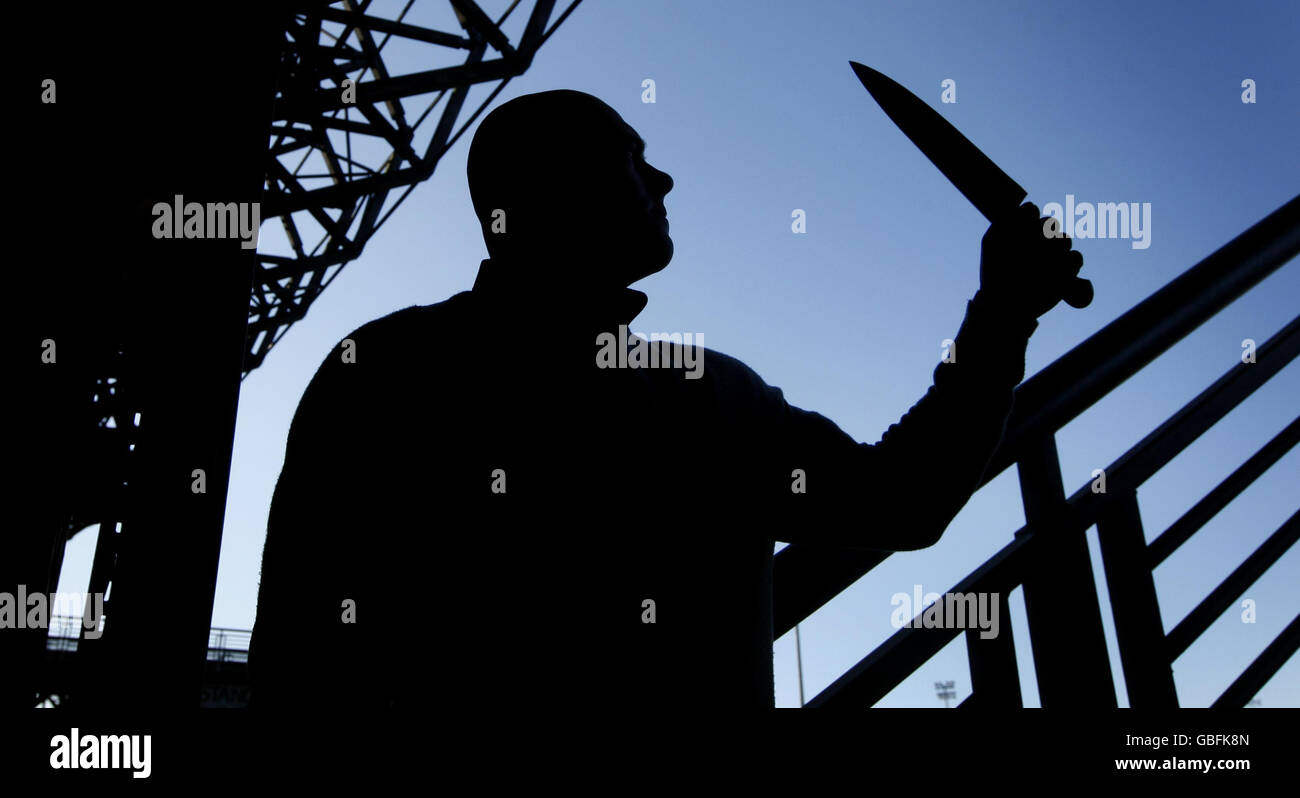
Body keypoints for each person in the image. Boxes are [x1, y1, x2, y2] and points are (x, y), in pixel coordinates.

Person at [249, 89, 1089, 709]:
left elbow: (295, 651)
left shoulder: (382, 369)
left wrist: (1004, 312)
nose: (665, 177)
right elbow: (902, 499)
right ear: (557, 185)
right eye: (629, 155)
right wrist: (1002, 315)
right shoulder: (709, 399)